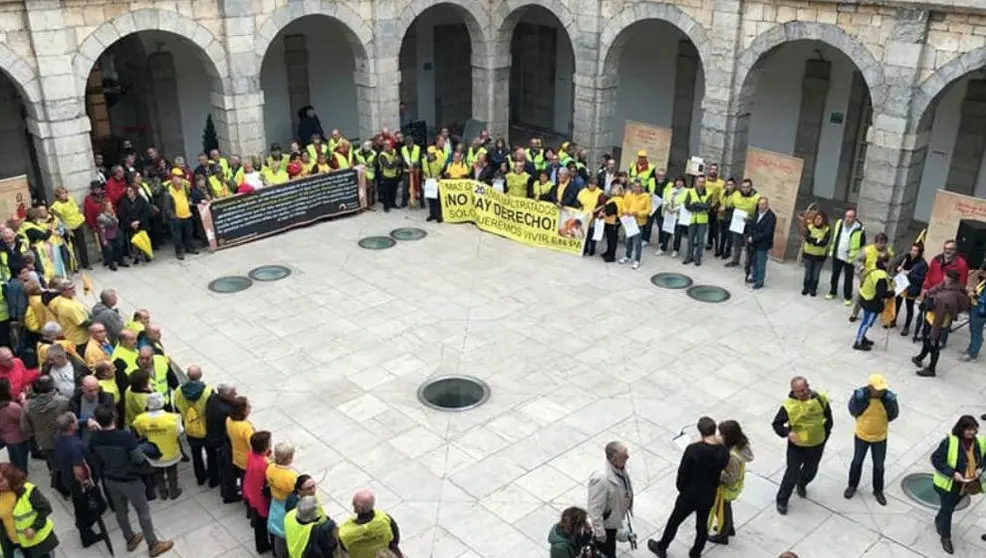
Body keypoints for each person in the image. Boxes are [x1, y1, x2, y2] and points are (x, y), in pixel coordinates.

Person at [87, 405, 174, 556]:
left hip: (110, 480)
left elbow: (94, 458)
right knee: (143, 512)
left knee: (121, 511)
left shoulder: (94, 437)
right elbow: (138, 458)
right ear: (114, 416)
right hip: (129, 480)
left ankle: (130, 538)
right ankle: (153, 544)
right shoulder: (124, 437)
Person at [647, 417, 728, 558]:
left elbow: (683, 472)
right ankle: (696, 551)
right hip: (708, 494)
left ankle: (662, 546)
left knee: (674, 521)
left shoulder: (694, 449)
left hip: (690, 494)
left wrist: (681, 488)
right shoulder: (722, 451)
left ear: (700, 432)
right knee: (702, 525)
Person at [772, 376, 832, 514]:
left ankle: (802, 483)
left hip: (817, 444)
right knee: (791, 472)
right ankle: (782, 500)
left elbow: (829, 419)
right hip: (797, 446)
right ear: (793, 391)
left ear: (808, 386)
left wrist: (825, 436)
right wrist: (788, 433)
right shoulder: (789, 405)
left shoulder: (820, 399)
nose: (803, 393)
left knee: (811, 471)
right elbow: (777, 424)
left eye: (804, 389)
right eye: (799, 391)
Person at [931, 415, 985, 555]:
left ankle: (939, 520)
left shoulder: (978, 442)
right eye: (968, 430)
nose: (972, 433)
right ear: (961, 429)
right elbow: (936, 459)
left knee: (949, 508)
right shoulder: (950, 442)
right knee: (948, 510)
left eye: (974, 430)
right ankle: (946, 537)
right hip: (948, 485)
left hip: (966, 485)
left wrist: (981, 467)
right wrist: (953, 473)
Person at [52, 411, 104, 548]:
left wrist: (85, 422)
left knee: (80, 506)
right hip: (80, 484)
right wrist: (87, 483)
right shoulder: (75, 446)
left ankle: (83, 525)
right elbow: (79, 470)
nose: (78, 422)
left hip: (67, 479)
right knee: (96, 506)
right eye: (76, 421)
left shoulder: (58, 437)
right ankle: (85, 531)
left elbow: (75, 424)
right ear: (71, 426)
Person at [844, 374, 898, 505]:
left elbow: (893, 414)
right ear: (870, 387)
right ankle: (852, 486)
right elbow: (852, 410)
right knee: (857, 461)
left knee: (879, 465)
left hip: (880, 438)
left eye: (883, 389)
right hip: (862, 436)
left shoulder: (889, 399)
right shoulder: (860, 397)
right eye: (878, 389)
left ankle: (878, 490)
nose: (881, 391)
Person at [21, 375, 71, 496]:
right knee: (67, 462)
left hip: (44, 440)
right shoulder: (62, 401)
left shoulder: (28, 406)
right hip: (63, 437)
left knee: (53, 462)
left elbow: (25, 427)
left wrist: (35, 433)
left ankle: (61, 486)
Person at [914, 270, 970, 377]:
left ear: (949, 278)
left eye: (946, 276)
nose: (944, 277)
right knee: (926, 339)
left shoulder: (945, 297)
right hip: (934, 318)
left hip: (937, 322)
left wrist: (934, 334)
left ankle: (931, 369)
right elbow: (933, 290)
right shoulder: (951, 286)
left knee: (933, 343)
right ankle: (920, 357)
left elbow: (939, 318)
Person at [707, 420, 753, 546]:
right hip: (735, 487)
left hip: (726, 489)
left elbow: (730, 477)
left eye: (721, 434)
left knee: (721, 510)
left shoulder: (732, 457)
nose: (719, 436)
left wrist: (716, 470)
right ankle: (729, 528)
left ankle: (723, 535)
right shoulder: (741, 444)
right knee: (726, 509)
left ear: (728, 437)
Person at [0, 461, 58, 557]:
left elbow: (45, 509)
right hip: (14, 543)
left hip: (35, 541)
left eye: (1, 480)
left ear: (10, 478)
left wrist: (34, 528)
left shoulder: (28, 490)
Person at [132, 392, 183, 500]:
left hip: (153, 452)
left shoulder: (139, 419)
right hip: (171, 451)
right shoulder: (173, 418)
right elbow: (179, 432)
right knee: (172, 472)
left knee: (157, 473)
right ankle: (174, 491)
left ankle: (163, 493)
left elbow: (141, 434)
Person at [587, 441, 633, 558]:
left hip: (614, 519)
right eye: (624, 455)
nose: (628, 456)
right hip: (606, 526)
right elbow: (594, 509)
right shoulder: (601, 479)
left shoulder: (620, 467)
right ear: (613, 458)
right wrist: (600, 532)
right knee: (607, 552)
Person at [173, 365, 214, 486]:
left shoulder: (178, 391)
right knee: (211, 455)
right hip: (206, 428)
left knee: (196, 455)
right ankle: (213, 479)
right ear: (201, 375)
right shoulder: (207, 391)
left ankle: (200, 478)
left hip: (190, 427)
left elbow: (177, 408)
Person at [338, 489, 401, 558]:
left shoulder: (346, 530)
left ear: (358, 509)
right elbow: (395, 538)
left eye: (354, 504)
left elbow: (343, 549)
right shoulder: (384, 518)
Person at [852, 254, 893, 351]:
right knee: (866, 322)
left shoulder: (876, 271)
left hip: (866, 298)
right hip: (871, 302)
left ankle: (862, 337)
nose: (890, 264)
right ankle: (858, 342)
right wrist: (892, 293)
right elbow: (882, 293)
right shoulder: (881, 276)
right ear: (885, 263)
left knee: (866, 321)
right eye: (889, 262)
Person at [207, 383, 239, 502]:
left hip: (211, 438)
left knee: (217, 465)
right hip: (221, 442)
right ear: (225, 395)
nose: (235, 394)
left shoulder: (212, 398)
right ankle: (229, 494)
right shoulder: (226, 410)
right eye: (233, 393)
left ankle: (214, 481)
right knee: (227, 471)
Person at [826, 208, 866, 305]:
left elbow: (862, 243)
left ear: (854, 218)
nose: (847, 219)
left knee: (848, 278)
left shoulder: (859, 228)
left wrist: (856, 254)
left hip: (850, 258)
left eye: (850, 217)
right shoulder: (839, 223)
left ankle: (848, 297)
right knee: (835, 275)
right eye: (846, 216)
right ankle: (833, 292)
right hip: (838, 254)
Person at [266, 442, 299, 557]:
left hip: (275, 502)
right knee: (283, 534)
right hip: (286, 506)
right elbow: (296, 491)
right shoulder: (290, 477)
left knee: (275, 531)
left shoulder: (270, 468)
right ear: (289, 458)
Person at [243, 431, 273, 554]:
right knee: (262, 522)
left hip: (250, 490)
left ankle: (261, 543)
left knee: (257, 518)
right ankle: (263, 545)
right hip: (261, 497)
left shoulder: (251, 454)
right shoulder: (265, 464)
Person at [49, 186, 91, 271]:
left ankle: (86, 263)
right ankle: (74, 266)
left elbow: (77, 209)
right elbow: (58, 220)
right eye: (62, 193)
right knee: (71, 248)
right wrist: (66, 229)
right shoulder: (56, 206)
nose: (65, 195)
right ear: (58, 196)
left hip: (78, 224)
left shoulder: (71, 199)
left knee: (82, 245)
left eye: (66, 193)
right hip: (68, 228)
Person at [892, 243, 928, 337]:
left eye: (915, 251)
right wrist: (898, 268)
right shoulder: (905, 257)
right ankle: (893, 319)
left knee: (909, 307)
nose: (912, 252)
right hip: (901, 284)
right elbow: (895, 264)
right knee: (897, 303)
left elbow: (921, 278)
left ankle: (906, 326)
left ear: (919, 252)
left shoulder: (922, 264)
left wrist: (909, 274)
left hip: (912, 287)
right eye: (912, 250)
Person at [163, 169, 199, 260]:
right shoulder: (168, 192)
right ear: (173, 184)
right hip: (176, 217)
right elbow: (167, 207)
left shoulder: (184, 187)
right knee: (177, 236)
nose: (180, 186)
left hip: (187, 214)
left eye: (180, 184)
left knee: (189, 233)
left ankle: (190, 248)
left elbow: (189, 196)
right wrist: (173, 216)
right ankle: (179, 252)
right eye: (178, 184)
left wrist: (190, 201)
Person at [47, 281, 90, 353]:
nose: (74, 290)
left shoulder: (57, 300)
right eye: (70, 289)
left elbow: (52, 308)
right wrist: (97, 319)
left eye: (74, 287)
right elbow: (82, 323)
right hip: (80, 340)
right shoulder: (69, 307)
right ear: (62, 291)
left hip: (68, 334)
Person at [70, 375, 115, 444]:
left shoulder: (106, 398)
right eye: (90, 391)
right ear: (82, 389)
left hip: (103, 438)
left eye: (96, 389)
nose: (94, 393)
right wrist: (86, 422)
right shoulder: (75, 401)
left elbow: (113, 417)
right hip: (84, 439)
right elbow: (72, 421)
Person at [226, 395, 254, 495]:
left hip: (237, 456)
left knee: (243, 478)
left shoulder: (229, 420)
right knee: (249, 482)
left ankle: (244, 494)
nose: (250, 408)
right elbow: (253, 446)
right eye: (248, 406)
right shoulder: (245, 427)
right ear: (243, 410)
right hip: (247, 459)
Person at [620, 179, 650, 269]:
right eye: (635, 186)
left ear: (641, 188)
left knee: (637, 243)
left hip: (639, 222)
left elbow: (648, 210)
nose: (637, 188)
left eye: (639, 187)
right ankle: (627, 256)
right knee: (628, 241)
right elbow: (624, 205)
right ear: (632, 187)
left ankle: (637, 260)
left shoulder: (646, 196)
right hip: (629, 221)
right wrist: (626, 212)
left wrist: (637, 213)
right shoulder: (628, 194)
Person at [0, 378, 29, 472]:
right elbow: (24, 419)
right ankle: (22, 482)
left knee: (14, 460)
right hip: (19, 438)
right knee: (21, 464)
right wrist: (24, 403)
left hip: (7, 439)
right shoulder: (12, 407)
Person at [682, 176, 712, 266]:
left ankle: (698, 257)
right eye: (699, 182)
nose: (701, 184)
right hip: (692, 219)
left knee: (700, 240)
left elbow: (708, 206)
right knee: (690, 239)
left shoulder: (709, 193)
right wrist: (700, 206)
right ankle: (689, 256)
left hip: (702, 220)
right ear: (696, 182)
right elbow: (687, 205)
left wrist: (695, 204)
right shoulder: (690, 191)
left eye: (703, 182)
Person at [748, 196, 776, 289]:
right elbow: (753, 225)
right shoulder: (757, 213)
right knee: (754, 261)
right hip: (754, 242)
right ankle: (754, 277)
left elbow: (767, 233)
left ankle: (760, 282)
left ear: (767, 205)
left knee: (761, 263)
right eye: (759, 204)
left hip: (763, 244)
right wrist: (750, 236)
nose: (761, 206)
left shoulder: (771, 217)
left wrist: (754, 238)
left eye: (763, 204)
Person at [656, 177, 689, 257]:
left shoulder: (687, 191)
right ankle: (663, 248)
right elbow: (665, 200)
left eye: (681, 181)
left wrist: (675, 209)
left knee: (677, 234)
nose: (679, 183)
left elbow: (685, 203)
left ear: (683, 182)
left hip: (678, 216)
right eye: (677, 181)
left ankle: (675, 249)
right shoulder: (671, 190)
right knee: (666, 232)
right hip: (669, 214)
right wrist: (667, 207)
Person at [800, 211, 830, 296]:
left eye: (819, 219)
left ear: (823, 220)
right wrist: (817, 240)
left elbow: (824, 242)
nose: (817, 220)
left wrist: (814, 240)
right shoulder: (810, 227)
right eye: (816, 218)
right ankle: (806, 287)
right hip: (808, 254)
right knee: (808, 272)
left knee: (816, 274)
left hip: (819, 256)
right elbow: (807, 238)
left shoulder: (827, 229)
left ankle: (813, 289)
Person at [96, 199, 126, 270]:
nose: (111, 207)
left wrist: (114, 220)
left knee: (119, 247)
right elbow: (107, 226)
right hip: (107, 236)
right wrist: (104, 240)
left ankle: (121, 261)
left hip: (115, 233)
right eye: (109, 206)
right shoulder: (101, 217)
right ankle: (111, 264)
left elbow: (116, 223)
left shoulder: (113, 213)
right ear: (105, 207)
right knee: (109, 250)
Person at [600, 184, 625, 263]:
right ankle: (608, 252)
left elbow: (610, 211)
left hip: (613, 222)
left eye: (614, 189)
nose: (612, 190)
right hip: (610, 221)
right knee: (610, 239)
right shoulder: (616, 199)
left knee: (612, 240)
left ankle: (611, 256)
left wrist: (603, 214)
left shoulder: (616, 200)